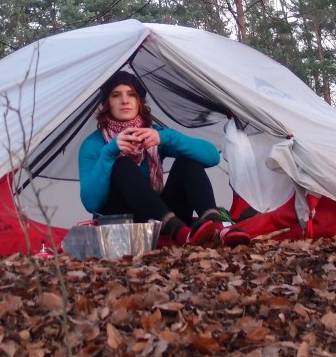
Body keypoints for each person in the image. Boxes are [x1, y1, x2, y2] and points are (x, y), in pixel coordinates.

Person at [78, 70, 226, 246]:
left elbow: (211, 157)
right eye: (116, 95)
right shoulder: (94, 144)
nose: (125, 100)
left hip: (160, 218)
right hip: (124, 224)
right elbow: (91, 203)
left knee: (188, 162)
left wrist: (165, 138)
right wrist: (109, 153)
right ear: (107, 103)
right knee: (122, 165)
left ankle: (217, 227)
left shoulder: (153, 134)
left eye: (131, 94)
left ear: (139, 101)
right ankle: (178, 231)